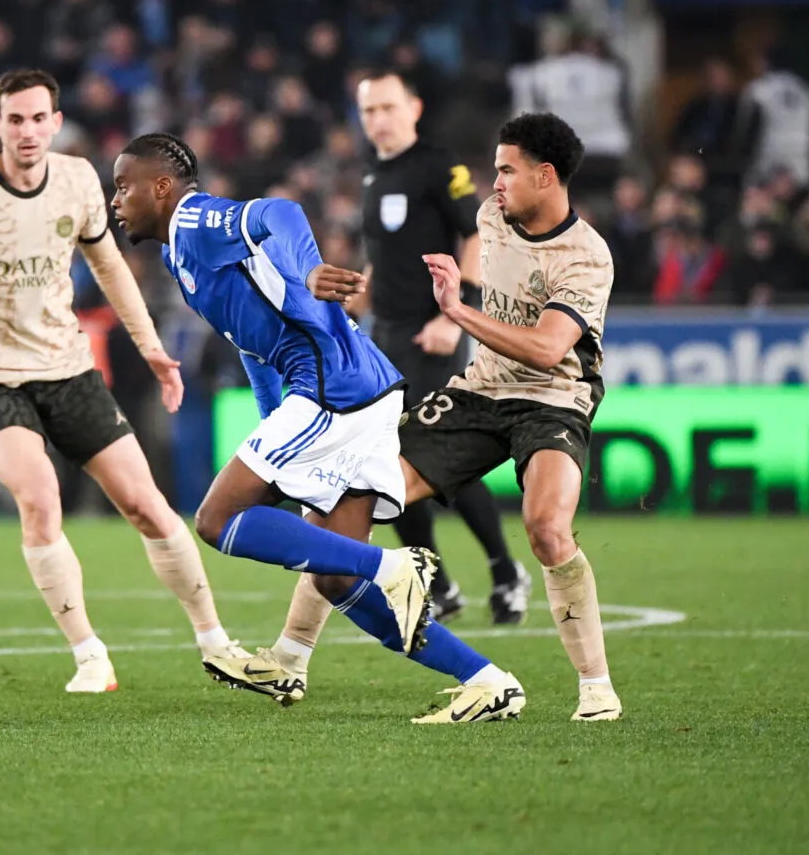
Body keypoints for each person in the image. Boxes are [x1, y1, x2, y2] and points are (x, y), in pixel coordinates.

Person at [111, 132, 526, 724]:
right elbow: (253, 348)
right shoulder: (180, 256)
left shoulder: (197, 219)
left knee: (215, 519)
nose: (115, 200)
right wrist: (270, 424)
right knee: (333, 577)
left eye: (123, 186)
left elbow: (279, 212)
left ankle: (397, 567)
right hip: (355, 386)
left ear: (162, 187)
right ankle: (488, 681)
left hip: (333, 384)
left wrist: (307, 271)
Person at [220, 113, 623, 722]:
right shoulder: (491, 217)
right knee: (348, 499)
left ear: (546, 176)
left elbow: (546, 348)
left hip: (554, 398)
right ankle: (288, 658)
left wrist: (453, 312)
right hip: (480, 391)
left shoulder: (588, 255)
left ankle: (596, 688)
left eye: (507, 171)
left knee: (545, 529)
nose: (495, 184)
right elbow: (441, 256)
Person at [0, 69, 252, 694]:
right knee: (40, 498)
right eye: (15, 120)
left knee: (148, 506)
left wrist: (153, 349)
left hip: (70, 370)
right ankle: (90, 656)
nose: (28, 131)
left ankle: (217, 641)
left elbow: (107, 262)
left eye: (39, 119)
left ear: (56, 123)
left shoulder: (79, 179)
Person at [356, 72, 529, 626]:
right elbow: (386, 256)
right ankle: (438, 582)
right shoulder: (372, 177)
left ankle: (505, 571)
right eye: (368, 111)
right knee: (390, 463)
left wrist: (455, 317)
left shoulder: (439, 166)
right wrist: (359, 295)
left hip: (430, 335)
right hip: (384, 337)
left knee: (438, 454)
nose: (377, 119)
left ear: (414, 107)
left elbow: (477, 232)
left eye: (387, 106)